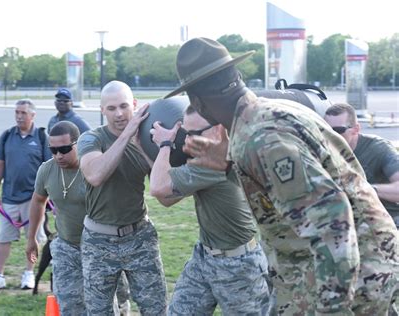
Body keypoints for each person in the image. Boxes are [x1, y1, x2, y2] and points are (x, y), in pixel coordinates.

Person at [166, 37, 399, 315]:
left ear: (198, 103)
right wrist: (229, 166)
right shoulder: (271, 115)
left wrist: (331, 311)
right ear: (237, 77)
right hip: (313, 272)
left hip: (355, 278)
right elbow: (285, 193)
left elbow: (333, 225)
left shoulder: (262, 140)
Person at [149, 105, 272, 315]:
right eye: (185, 134)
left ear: (218, 130)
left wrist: (165, 144)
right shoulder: (208, 160)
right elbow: (166, 199)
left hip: (238, 267)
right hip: (205, 256)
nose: (187, 141)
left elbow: (159, 187)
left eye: (194, 134)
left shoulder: (215, 163)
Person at [78, 80, 167, 315]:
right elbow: (95, 175)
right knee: (99, 311)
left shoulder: (144, 142)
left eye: (124, 106)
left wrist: (150, 146)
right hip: (99, 241)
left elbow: (165, 193)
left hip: (139, 237)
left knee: (156, 308)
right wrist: (127, 134)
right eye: (111, 108)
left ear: (134, 105)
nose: (119, 114)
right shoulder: (90, 139)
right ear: (102, 110)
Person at [0, 98, 51, 292]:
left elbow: (49, 167)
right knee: (3, 238)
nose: (19, 116)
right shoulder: (7, 136)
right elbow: (0, 164)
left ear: (33, 115)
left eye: (23, 113)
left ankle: (29, 273)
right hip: (9, 199)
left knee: (34, 239)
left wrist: (49, 195)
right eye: (17, 112)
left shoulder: (41, 138)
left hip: (34, 200)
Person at [26, 121, 86, 314]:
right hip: (66, 245)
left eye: (65, 149)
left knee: (108, 304)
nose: (58, 155)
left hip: (98, 245)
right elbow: (37, 201)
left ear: (78, 144)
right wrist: (31, 238)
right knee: (67, 303)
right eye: (53, 150)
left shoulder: (92, 166)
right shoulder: (47, 169)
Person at [324, 102, 399, 227]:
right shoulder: (322, 150)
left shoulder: (378, 148)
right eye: (326, 130)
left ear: (356, 129)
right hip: (342, 222)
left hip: (383, 222)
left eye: (338, 130)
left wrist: (362, 189)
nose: (331, 136)